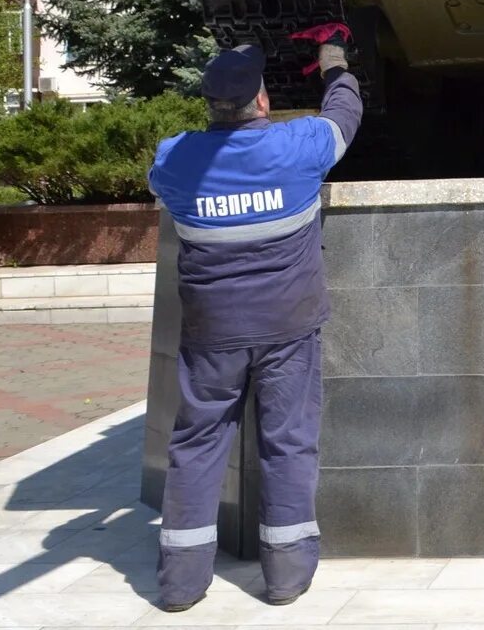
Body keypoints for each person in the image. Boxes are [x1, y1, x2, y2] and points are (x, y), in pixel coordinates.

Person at [147, 31, 361, 612]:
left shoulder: (175, 159)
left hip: (212, 333)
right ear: (262, 101)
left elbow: (162, 187)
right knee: (287, 442)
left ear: (213, 106)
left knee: (195, 444)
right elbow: (344, 113)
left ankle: (180, 583)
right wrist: (333, 63)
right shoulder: (299, 147)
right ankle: (287, 576)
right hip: (289, 328)